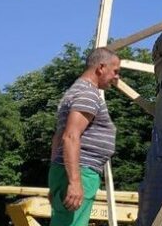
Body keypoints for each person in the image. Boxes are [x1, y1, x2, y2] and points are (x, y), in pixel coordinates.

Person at [48, 47, 121, 226]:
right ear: (101, 68)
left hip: (65, 170)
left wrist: (55, 178)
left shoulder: (74, 90)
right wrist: (74, 182)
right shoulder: (88, 93)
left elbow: (58, 137)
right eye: (115, 71)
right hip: (80, 170)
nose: (117, 78)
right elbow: (70, 137)